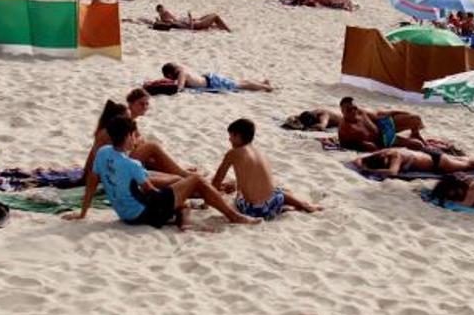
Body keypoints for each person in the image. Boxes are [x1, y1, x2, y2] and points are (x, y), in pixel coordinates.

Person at [65, 115, 258, 229]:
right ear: (126, 137)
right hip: (143, 215)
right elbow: (151, 193)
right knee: (195, 179)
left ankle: (190, 213)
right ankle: (235, 217)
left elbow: (92, 182)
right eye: (134, 135)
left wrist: (83, 213)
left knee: (176, 182)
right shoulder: (131, 165)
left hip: (125, 214)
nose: (136, 139)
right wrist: (180, 194)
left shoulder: (103, 152)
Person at [212, 119, 321, 220]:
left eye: (231, 136)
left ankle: (291, 208)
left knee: (237, 193)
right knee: (278, 190)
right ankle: (301, 205)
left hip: (254, 210)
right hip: (274, 201)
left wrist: (208, 201)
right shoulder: (258, 151)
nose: (229, 139)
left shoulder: (233, 153)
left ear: (238, 136)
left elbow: (216, 181)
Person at [337, 96, 428, 151]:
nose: (353, 111)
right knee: (418, 145)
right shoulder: (346, 129)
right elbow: (354, 145)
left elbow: (378, 114)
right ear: (342, 111)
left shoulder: (360, 112)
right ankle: (413, 139)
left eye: (354, 108)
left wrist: (397, 112)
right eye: (349, 110)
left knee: (415, 118)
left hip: (383, 125)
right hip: (382, 141)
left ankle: (415, 133)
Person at [352, 147, 474, 177]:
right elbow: (358, 158)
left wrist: (369, 170)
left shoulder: (395, 156)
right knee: (465, 160)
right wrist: (360, 163)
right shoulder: (386, 151)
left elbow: (392, 172)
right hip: (429, 153)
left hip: (438, 163)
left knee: (468, 165)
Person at [161, 62, 274, 92]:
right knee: (237, 82)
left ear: (170, 74)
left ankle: (266, 87)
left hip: (212, 82)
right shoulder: (182, 70)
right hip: (210, 79)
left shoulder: (182, 73)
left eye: (168, 77)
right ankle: (262, 82)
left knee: (240, 85)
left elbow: (179, 88)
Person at [153, 4, 230, 32]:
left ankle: (223, 28)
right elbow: (190, 28)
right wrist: (190, 17)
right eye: (164, 11)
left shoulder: (172, 21)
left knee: (210, 15)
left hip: (197, 21)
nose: (167, 12)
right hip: (198, 25)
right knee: (215, 16)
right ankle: (229, 31)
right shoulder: (173, 22)